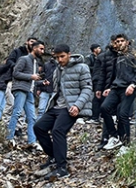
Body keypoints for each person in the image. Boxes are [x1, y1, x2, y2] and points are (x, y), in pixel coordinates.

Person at [33, 44, 93, 179]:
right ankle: (54, 156)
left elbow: (87, 89)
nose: (59, 60)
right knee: (38, 127)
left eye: (62, 56)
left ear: (69, 54)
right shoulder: (57, 70)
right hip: (56, 107)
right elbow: (56, 91)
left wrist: (77, 106)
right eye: (57, 57)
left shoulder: (82, 67)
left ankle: (62, 168)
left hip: (71, 107)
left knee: (57, 130)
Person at [100, 34, 136, 150]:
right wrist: (110, 87)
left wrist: (133, 85)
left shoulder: (134, 55)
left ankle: (126, 144)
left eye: (122, 41)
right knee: (104, 108)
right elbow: (117, 75)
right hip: (116, 87)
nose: (119, 43)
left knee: (123, 114)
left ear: (127, 42)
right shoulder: (118, 56)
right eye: (117, 41)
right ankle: (114, 136)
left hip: (128, 88)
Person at [7, 40, 47, 146]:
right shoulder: (23, 59)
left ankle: (32, 141)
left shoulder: (35, 63)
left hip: (29, 91)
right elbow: (15, 73)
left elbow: (33, 80)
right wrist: (31, 76)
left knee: (31, 117)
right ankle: (9, 138)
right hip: (20, 89)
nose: (43, 51)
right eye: (41, 49)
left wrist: (42, 82)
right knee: (17, 112)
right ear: (34, 48)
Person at [92, 36, 119, 148]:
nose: (116, 44)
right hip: (106, 89)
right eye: (115, 42)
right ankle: (105, 138)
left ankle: (119, 138)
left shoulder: (123, 56)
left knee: (121, 115)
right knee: (107, 114)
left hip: (120, 88)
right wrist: (98, 88)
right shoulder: (104, 56)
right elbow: (99, 73)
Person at [85, 43, 102, 124]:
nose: (100, 49)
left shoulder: (101, 57)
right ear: (94, 50)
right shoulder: (89, 58)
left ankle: (97, 116)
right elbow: (87, 67)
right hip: (93, 80)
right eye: (98, 48)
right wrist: (96, 67)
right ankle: (93, 116)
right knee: (94, 98)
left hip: (99, 80)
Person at [37, 57, 56, 121]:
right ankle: (38, 126)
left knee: (53, 110)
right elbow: (41, 76)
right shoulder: (46, 65)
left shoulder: (59, 65)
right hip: (45, 89)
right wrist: (39, 88)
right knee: (41, 110)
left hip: (55, 91)